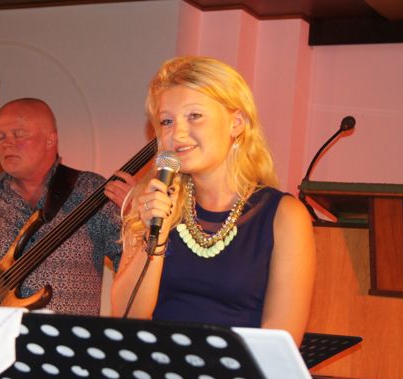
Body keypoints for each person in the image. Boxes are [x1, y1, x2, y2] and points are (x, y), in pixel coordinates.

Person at [110, 56, 316, 345]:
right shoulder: (152, 204)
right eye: (167, 121)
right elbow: (127, 317)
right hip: (156, 367)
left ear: (236, 123)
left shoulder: (284, 215)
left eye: (194, 116)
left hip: (237, 371)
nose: (178, 133)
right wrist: (154, 236)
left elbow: (282, 339)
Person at [0, 97, 134, 315]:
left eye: (18, 134)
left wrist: (135, 220)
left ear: (50, 140)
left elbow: (133, 266)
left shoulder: (91, 190)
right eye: (0, 137)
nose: (6, 143)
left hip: (63, 333)